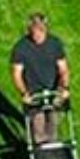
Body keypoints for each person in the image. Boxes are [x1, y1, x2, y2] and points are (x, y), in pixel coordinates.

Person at [10, 12, 70, 144]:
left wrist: (63, 88)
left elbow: (63, 69)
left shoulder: (55, 44)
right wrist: (24, 93)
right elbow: (16, 74)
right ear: (29, 30)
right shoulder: (21, 48)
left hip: (54, 91)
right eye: (34, 31)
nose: (37, 35)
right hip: (34, 93)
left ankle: (53, 154)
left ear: (46, 29)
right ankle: (40, 158)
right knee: (38, 129)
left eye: (40, 30)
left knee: (53, 126)